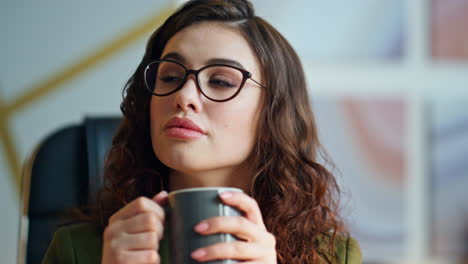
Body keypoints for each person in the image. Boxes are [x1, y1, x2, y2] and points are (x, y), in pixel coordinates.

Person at [42, 0, 362, 263]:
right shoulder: (78, 250)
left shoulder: (332, 256)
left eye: (221, 81)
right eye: (170, 77)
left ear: (271, 117)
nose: (184, 97)